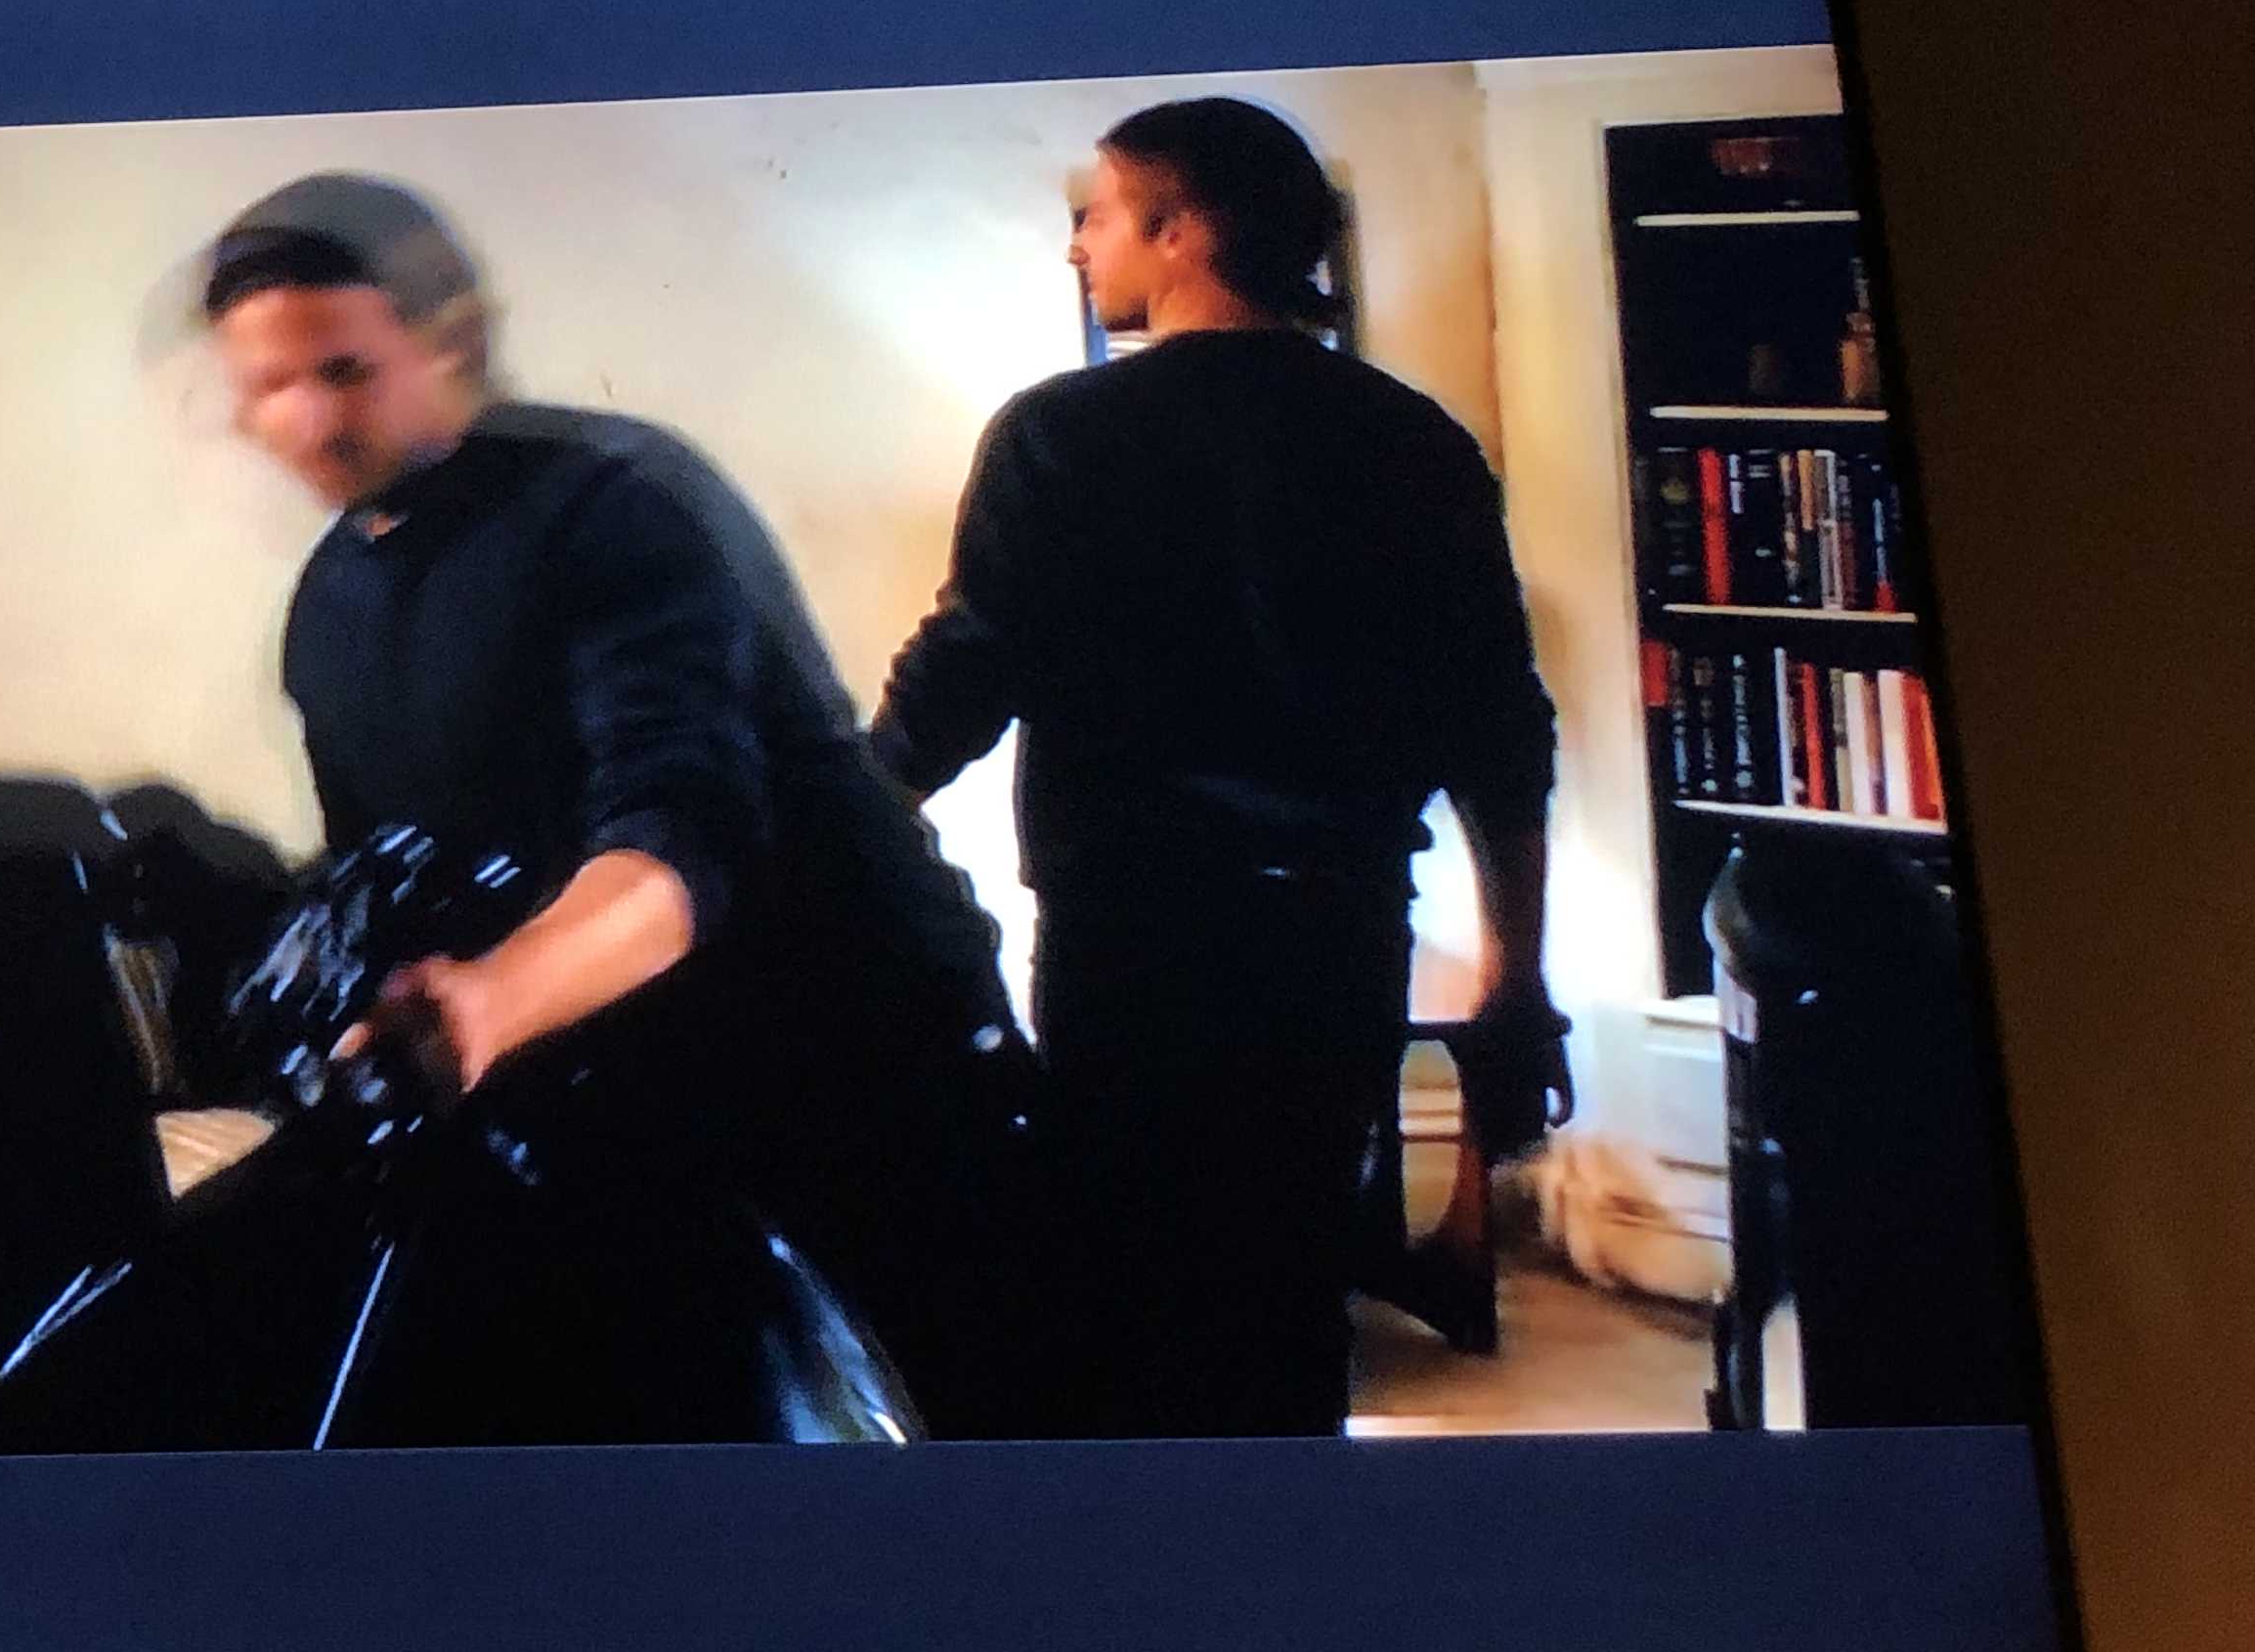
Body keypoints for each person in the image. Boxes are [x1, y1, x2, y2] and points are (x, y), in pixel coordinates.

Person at [202, 173, 1051, 1432]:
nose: (308, 422)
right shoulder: (330, 604)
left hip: (865, 1077)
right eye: (270, 386)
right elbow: (396, 868)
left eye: (343, 371)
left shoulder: (615, 506)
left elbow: (677, 845)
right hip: (632, 1098)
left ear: (450, 342)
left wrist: (491, 1001)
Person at [867, 97, 1568, 1436]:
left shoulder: (1057, 434)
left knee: (1129, 1305)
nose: (1079, 244)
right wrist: (1516, 980)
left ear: (1179, 229)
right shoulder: (1415, 442)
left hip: (1132, 944)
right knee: (1288, 1303)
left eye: (1099, 213)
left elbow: (959, 681)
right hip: (1337, 938)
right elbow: (1500, 733)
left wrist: (820, 820)